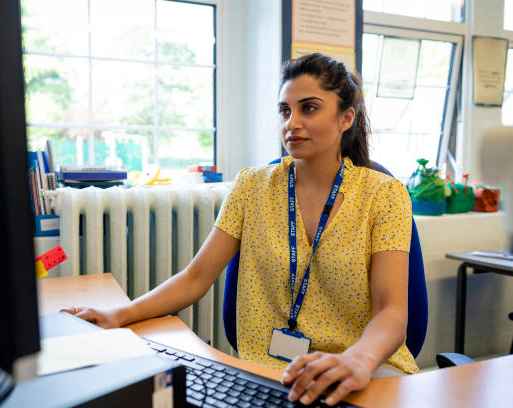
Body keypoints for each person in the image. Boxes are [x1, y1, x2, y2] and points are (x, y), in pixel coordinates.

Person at [62, 53, 418, 406]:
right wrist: (119, 314)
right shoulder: (252, 186)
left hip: (360, 370)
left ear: (346, 118)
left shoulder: (384, 194)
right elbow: (196, 277)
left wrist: (357, 359)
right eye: (284, 110)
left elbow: (392, 310)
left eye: (308, 108)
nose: (291, 123)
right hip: (270, 372)